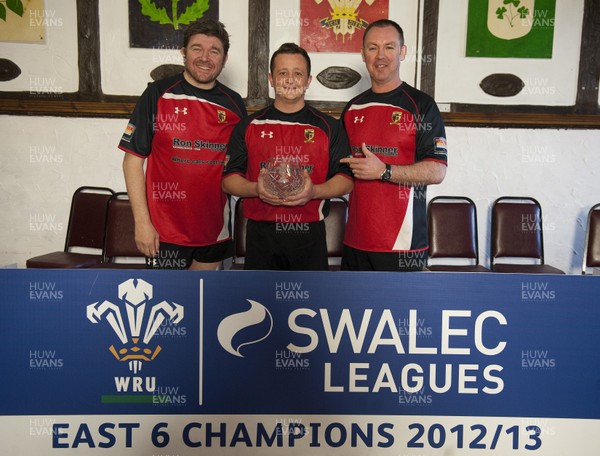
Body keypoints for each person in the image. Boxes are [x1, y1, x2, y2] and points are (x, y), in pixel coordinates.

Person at [119, 18, 247, 270]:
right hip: (163, 231)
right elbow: (132, 161)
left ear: (224, 58)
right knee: (167, 307)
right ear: (183, 52)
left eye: (214, 51)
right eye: (197, 48)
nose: (205, 57)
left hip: (214, 229)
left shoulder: (234, 104)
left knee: (202, 306)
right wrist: (142, 223)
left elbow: (240, 166)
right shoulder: (157, 94)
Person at [222, 43, 353, 271]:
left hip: (309, 235)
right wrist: (256, 189)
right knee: (260, 304)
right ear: (271, 79)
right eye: (283, 73)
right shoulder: (249, 126)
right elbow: (228, 179)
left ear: (308, 80)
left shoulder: (330, 127)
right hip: (260, 235)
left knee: (309, 305)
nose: (290, 80)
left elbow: (347, 179)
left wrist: (314, 192)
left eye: (298, 73)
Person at [340, 19, 447, 272]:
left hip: (403, 245)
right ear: (363, 54)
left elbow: (437, 171)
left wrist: (384, 171)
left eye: (389, 47)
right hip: (355, 243)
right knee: (354, 312)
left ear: (402, 52)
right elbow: (341, 171)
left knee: (401, 313)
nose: (380, 56)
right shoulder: (352, 109)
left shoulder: (421, 105)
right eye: (372, 48)